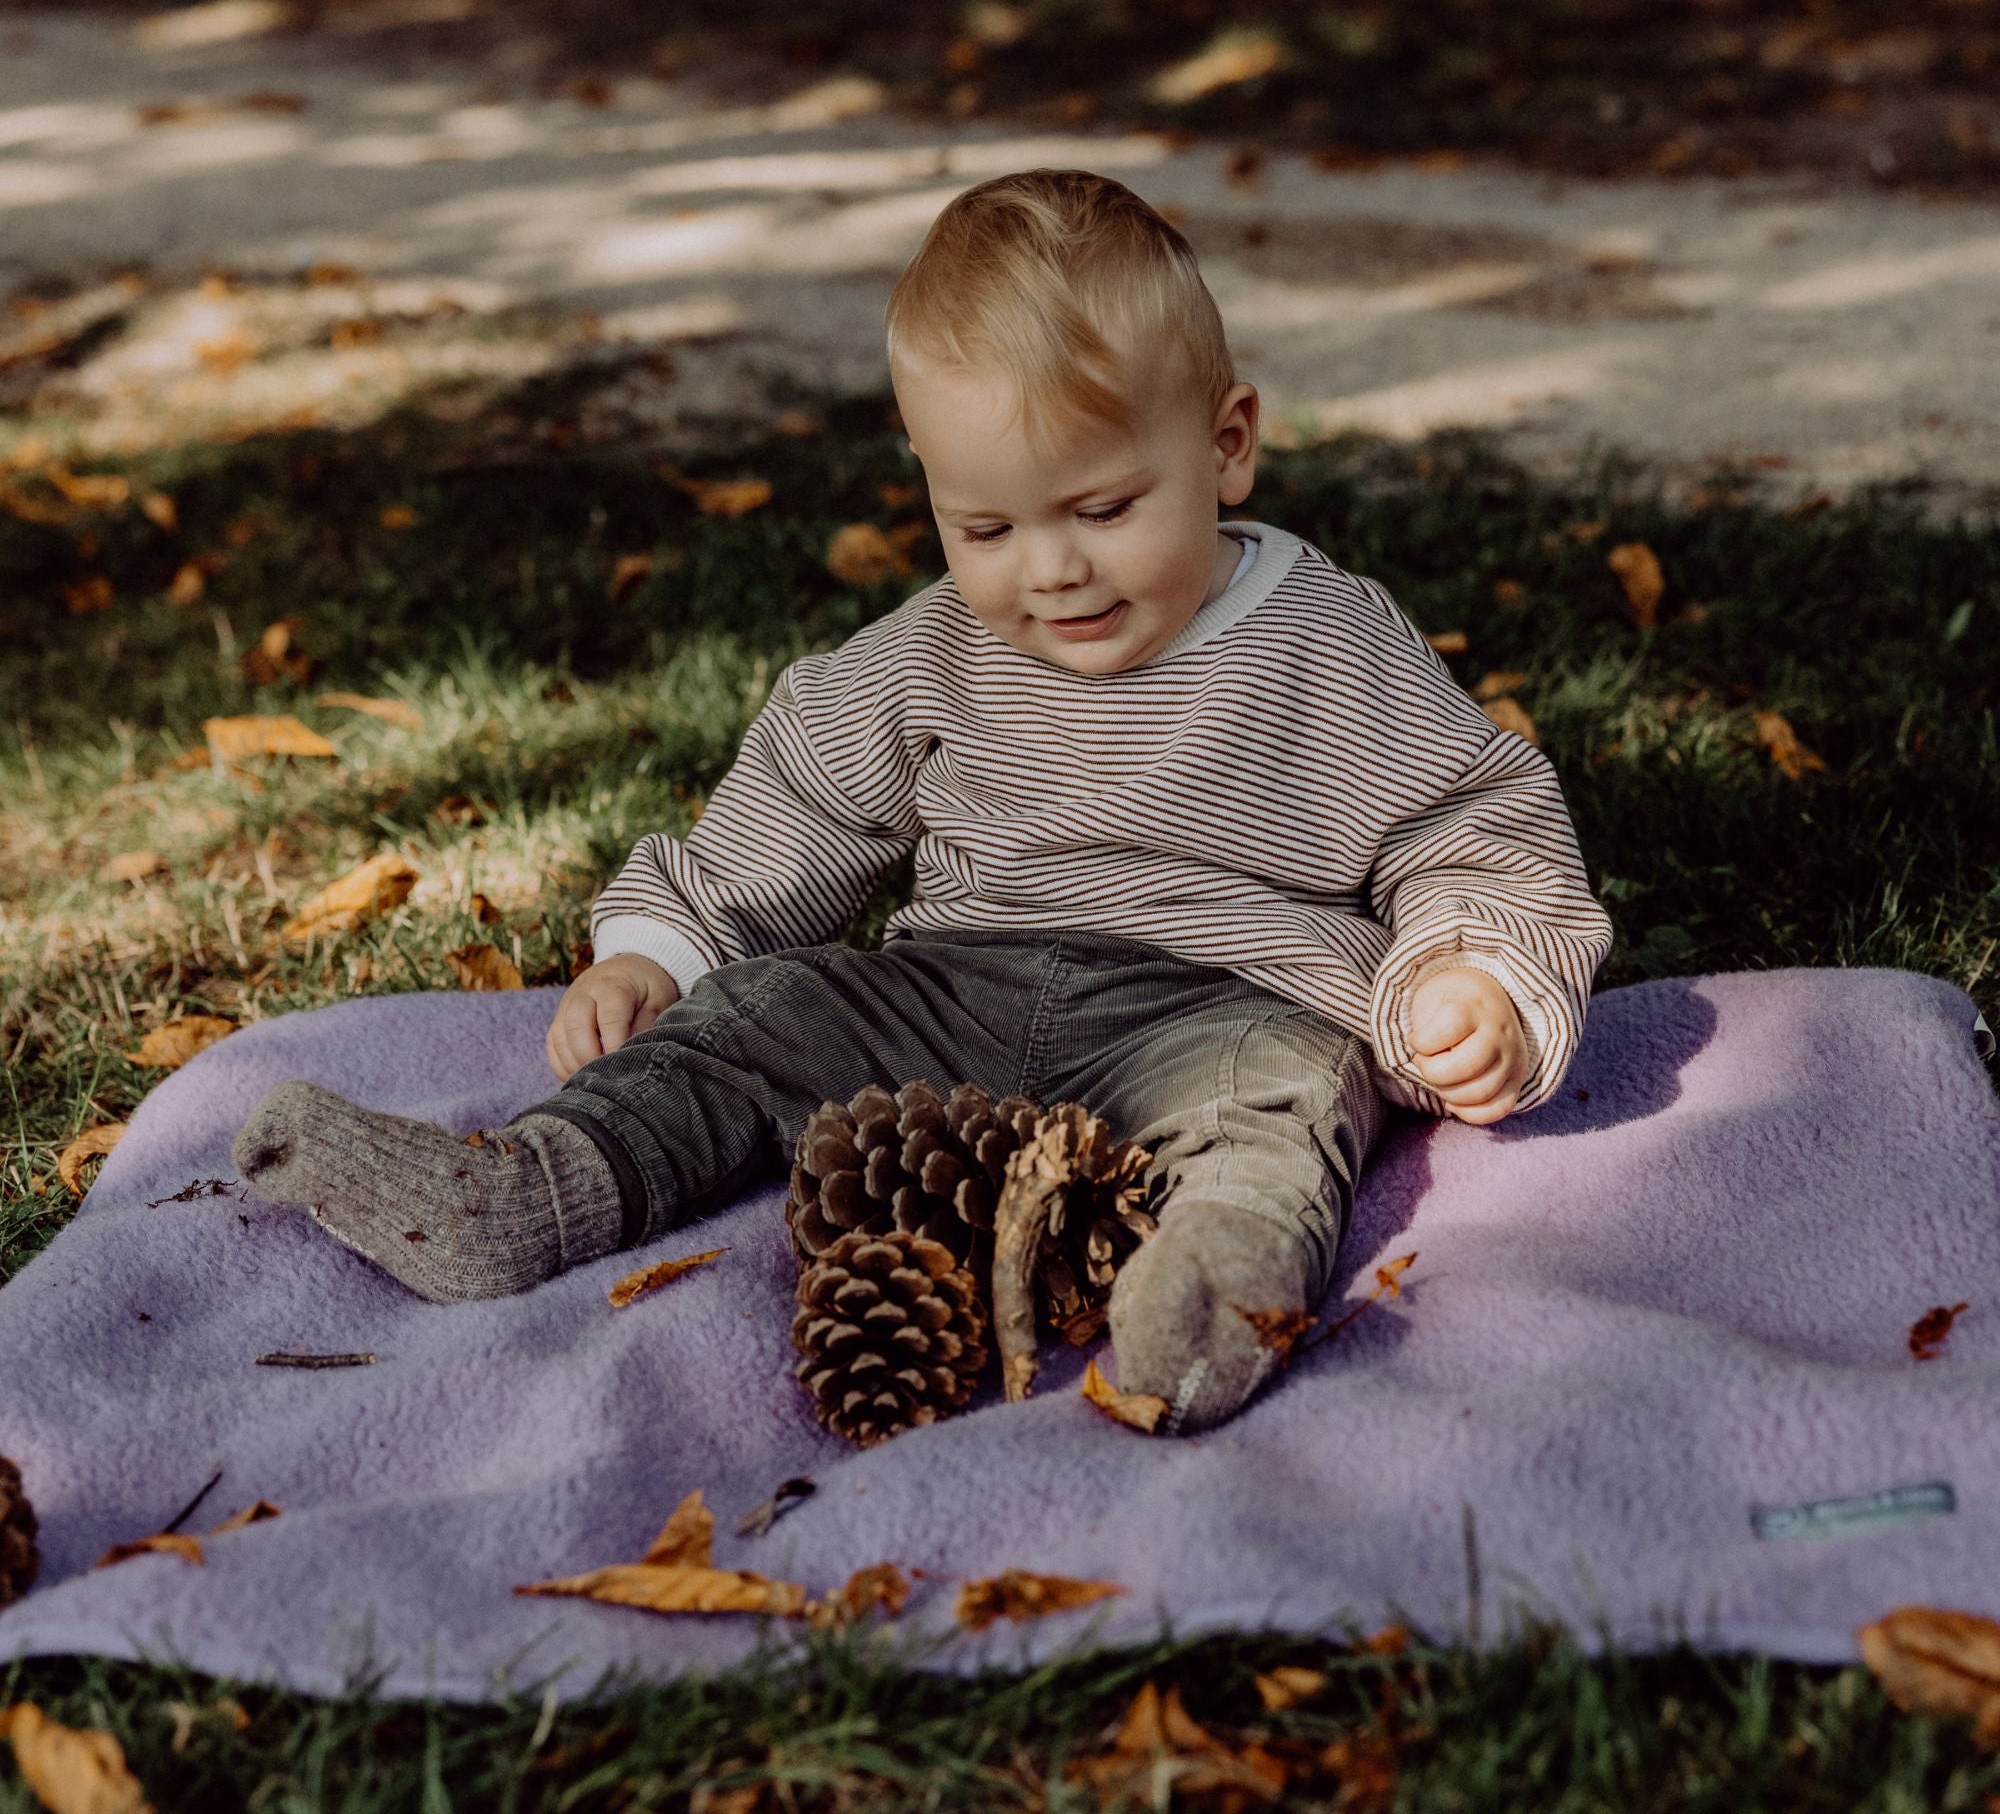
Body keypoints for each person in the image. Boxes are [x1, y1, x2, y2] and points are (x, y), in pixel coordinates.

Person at [232, 168, 1614, 1434]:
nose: (1051, 571)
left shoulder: (1325, 641)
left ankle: (1212, 1293)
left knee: (1293, 1099)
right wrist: (658, 953)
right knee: (759, 1016)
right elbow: (802, 803)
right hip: (956, 990)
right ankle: (537, 1189)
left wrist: (1472, 970)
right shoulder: (935, 649)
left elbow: (1470, 820)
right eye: (989, 528)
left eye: (1106, 507)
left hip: (1225, 1003)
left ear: (1229, 444)